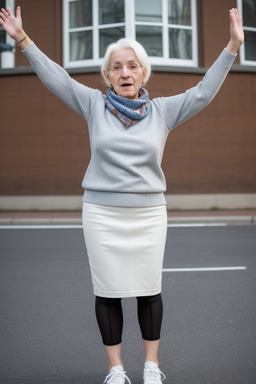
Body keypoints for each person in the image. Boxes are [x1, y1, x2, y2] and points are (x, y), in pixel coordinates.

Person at [0, 6, 244, 384]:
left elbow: (203, 92)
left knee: (149, 290)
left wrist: (232, 46)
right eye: (116, 67)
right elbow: (58, 79)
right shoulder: (94, 105)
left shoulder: (162, 112)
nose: (125, 72)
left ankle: (151, 366)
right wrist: (22, 40)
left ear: (143, 72)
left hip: (148, 215)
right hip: (101, 213)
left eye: (132, 65)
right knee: (108, 291)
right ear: (107, 76)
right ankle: (116, 369)